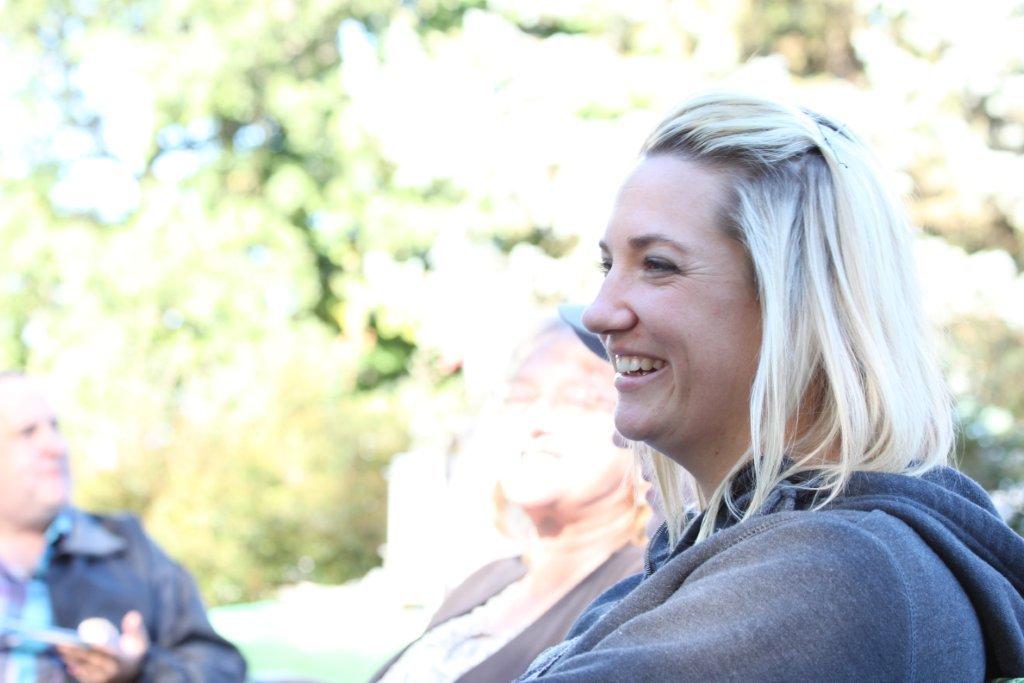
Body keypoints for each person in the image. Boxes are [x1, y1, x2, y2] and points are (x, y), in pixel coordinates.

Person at [518, 91, 1024, 680]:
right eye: (609, 266)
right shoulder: (770, 548)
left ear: (799, 306)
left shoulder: (830, 574)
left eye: (658, 265)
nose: (599, 313)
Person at [371, 319, 649, 683]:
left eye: (580, 399)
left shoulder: (641, 596)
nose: (536, 420)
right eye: (520, 396)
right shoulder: (489, 580)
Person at [0, 371, 246, 682]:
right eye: (28, 432)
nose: (57, 446)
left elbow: (222, 667)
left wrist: (139, 669)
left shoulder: (128, 548)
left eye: (54, 427)